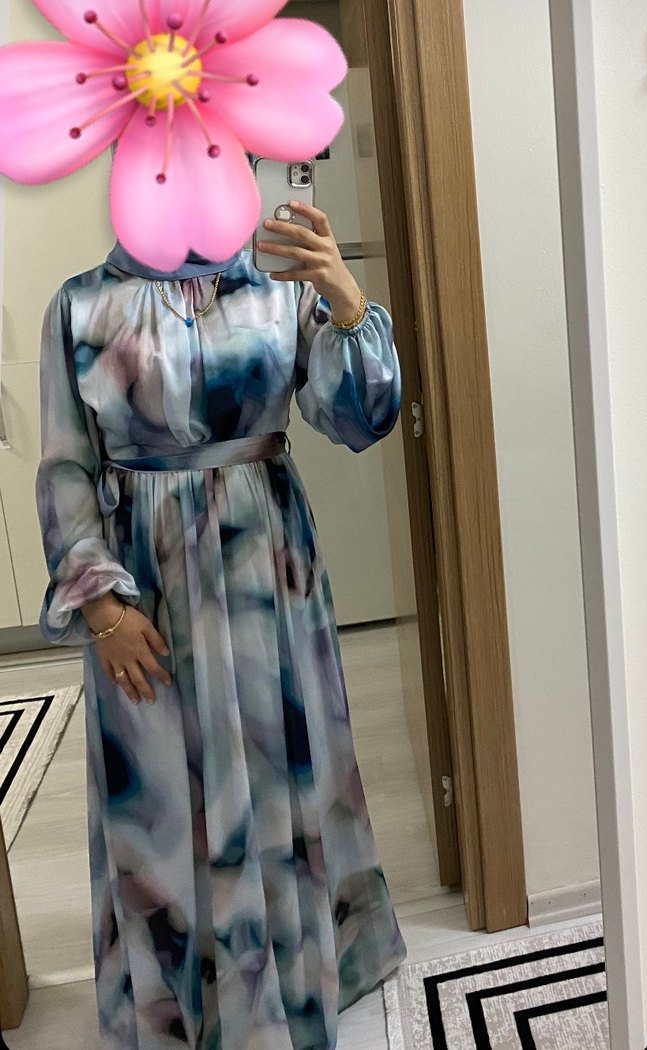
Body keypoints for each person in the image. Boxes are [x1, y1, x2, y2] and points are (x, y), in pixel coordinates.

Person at [36, 199, 407, 1050]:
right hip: (144, 584)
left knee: (282, 769)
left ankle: (296, 981)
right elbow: (64, 467)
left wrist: (346, 300)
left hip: (265, 571)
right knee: (163, 790)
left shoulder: (281, 291)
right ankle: (184, 1002)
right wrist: (100, 604)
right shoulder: (82, 305)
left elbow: (360, 421)